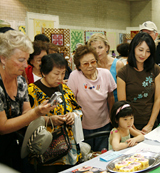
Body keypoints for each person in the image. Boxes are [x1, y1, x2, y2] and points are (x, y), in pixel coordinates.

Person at [0, 30, 55, 172]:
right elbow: (3, 126)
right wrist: (36, 113)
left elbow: (26, 112)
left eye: (26, 59)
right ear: (3, 58)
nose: (26, 65)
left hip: (15, 148)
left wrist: (44, 115)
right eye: (20, 60)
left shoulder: (20, 82)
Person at [28, 53, 82, 172]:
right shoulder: (32, 90)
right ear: (44, 73)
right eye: (56, 74)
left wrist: (73, 115)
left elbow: (78, 110)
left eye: (63, 73)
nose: (60, 78)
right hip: (45, 150)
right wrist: (49, 120)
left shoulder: (65, 89)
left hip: (69, 149)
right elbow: (27, 118)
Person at [68, 45, 116, 151]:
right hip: (82, 127)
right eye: (85, 63)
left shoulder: (105, 74)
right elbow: (71, 101)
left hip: (104, 125)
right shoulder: (74, 76)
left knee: (103, 154)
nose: (90, 66)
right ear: (79, 66)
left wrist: (112, 117)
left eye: (93, 62)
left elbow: (111, 97)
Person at [117, 32, 160, 134]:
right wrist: (132, 128)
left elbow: (158, 99)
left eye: (148, 51)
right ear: (133, 48)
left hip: (151, 123)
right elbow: (123, 104)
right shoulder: (123, 72)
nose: (143, 55)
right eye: (140, 50)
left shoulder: (155, 69)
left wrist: (150, 125)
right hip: (129, 125)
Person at [88, 33, 124, 102]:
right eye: (94, 48)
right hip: (98, 106)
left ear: (106, 47)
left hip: (116, 104)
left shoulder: (118, 64)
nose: (97, 51)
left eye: (100, 47)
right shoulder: (91, 66)